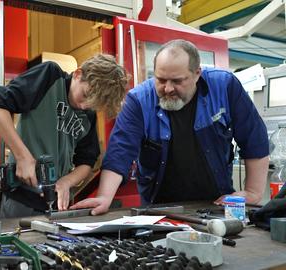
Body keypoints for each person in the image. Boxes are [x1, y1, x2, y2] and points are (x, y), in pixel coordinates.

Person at [71, 39, 269, 215]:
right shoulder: (139, 101)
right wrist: (105, 197)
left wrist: (253, 192)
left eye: (177, 81)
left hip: (217, 203)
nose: (167, 88)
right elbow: (119, 152)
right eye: (160, 79)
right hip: (159, 209)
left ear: (197, 73)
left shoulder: (225, 86)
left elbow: (254, 138)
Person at [0, 54, 128, 218]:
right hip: (21, 199)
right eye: (86, 95)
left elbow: (87, 162)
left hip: (60, 205)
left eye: (94, 104)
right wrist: (22, 156)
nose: (85, 106)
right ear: (78, 74)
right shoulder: (49, 77)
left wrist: (66, 182)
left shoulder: (88, 114)